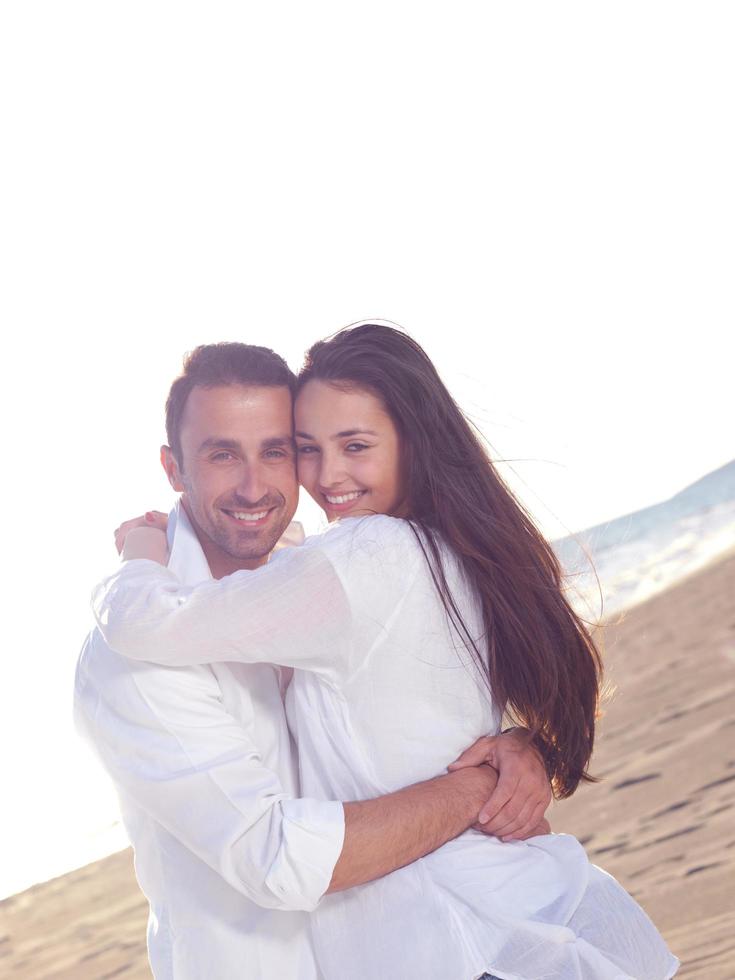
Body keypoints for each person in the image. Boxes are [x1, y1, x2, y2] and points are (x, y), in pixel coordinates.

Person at [97, 324, 679, 980]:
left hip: (448, 937)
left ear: (413, 442)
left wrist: (137, 553)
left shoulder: (361, 557)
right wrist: (513, 753)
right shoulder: (439, 550)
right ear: (174, 465)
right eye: (309, 449)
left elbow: (146, 625)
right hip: (503, 917)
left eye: (355, 446)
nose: (327, 477)